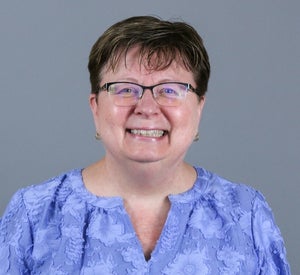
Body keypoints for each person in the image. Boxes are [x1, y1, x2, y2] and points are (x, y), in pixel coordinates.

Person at [0, 16, 290, 274]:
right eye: (125, 89)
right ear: (96, 108)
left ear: (199, 108)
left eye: (170, 90)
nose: (147, 107)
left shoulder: (246, 214)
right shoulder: (34, 214)